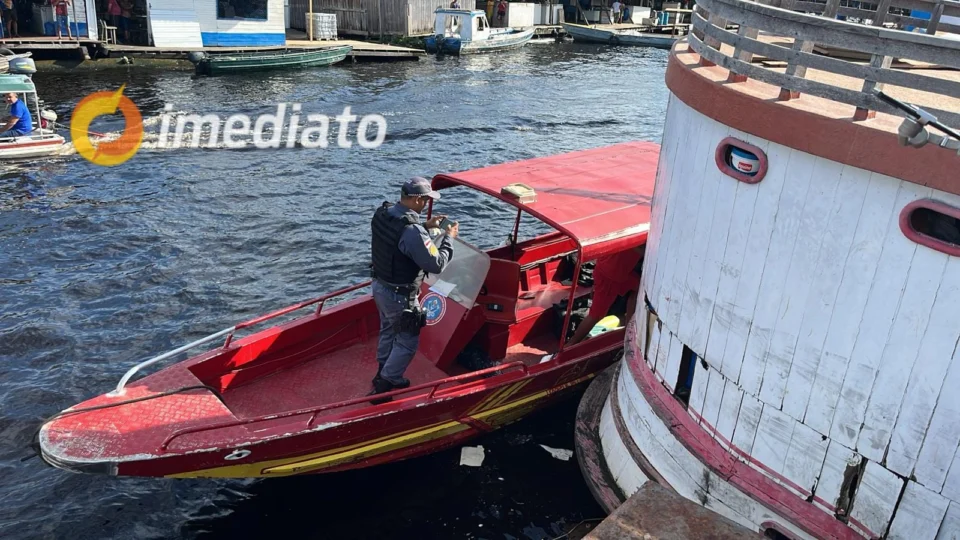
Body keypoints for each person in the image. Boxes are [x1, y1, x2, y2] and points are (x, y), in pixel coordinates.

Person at [369, 177, 458, 403]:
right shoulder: (412, 231)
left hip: (380, 286)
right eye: (427, 200)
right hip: (400, 295)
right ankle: (387, 383)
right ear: (418, 200)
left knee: (388, 328)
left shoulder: (383, 213)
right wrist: (448, 239)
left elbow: (396, 239)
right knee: (408, 340)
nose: (428, 204)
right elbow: (435, 264)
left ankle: (382, 369)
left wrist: (425, 226)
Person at [569, 246, 644, 345]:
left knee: (638, 287)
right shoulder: (635, 236)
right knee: (596, 315)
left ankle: (628, 328)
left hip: (619, 273)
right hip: (609, 277)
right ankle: (571, 344)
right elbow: (639, 248)